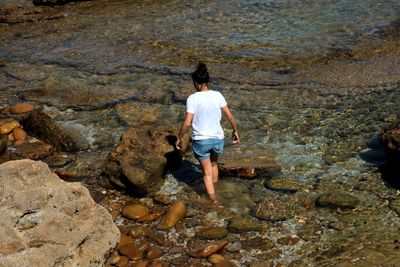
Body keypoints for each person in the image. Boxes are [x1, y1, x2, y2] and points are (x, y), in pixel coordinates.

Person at [175, 62, 240, 204]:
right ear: (207, 81)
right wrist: (235, 131)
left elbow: (187, 123)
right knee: (214, 164)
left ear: (197, 83)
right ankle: (216, 188)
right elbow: (230, 116)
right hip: (218, 139)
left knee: (206, 173)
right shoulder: (217, 95)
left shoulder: (193, 98)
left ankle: (213, 199)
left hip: (202, 141)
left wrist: (179, 138)